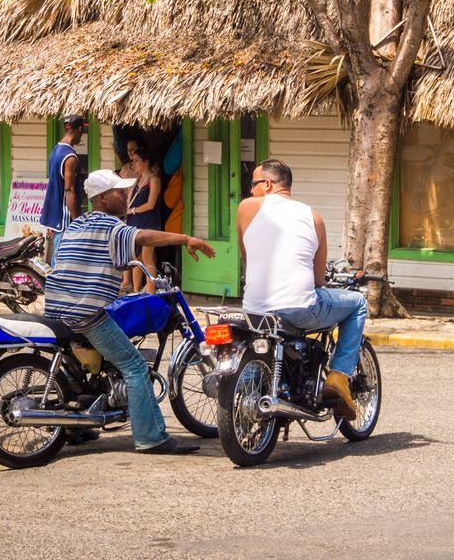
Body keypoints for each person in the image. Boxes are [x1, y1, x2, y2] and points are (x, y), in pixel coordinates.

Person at [42, 169, 214, 454]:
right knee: (134, 366)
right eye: (120, 193)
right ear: (102, 198)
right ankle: (152, 437)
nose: (126, 196)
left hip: (58, 308)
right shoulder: (111, 226)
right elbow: (143, 237)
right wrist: (185, 239)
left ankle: (74, 427)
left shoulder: (78, 223)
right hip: (84, 312)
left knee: (80, 367)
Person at [237, 158, 366, 420]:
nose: (250, 191)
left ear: (269, 184)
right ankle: (339, 377)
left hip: (254, 309)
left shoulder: (245, 208)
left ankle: (246, 386)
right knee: (357, 303)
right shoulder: (314, 218)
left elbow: (247, 256)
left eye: (253, 184)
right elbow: (318, 280)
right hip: (296, 307)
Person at [40, 115, 86, 264]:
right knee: (62, 258)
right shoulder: (70, 157)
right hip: (64, 215)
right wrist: (76, 219)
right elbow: (69, 189)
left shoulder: (56, 150)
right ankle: (55, 286)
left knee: (58, 255)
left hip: (54, 212)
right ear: (79, 129)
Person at [125, 150, 163, 293]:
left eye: (136, 160)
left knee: (147, 258)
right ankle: (136, 291)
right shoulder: (137, 180)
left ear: (146, 162)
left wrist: (133, 210)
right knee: (136, 258)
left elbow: (150, 204)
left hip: (149, 223)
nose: (133, 164)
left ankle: (151, 292)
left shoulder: (153, 180)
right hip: (135, 222)